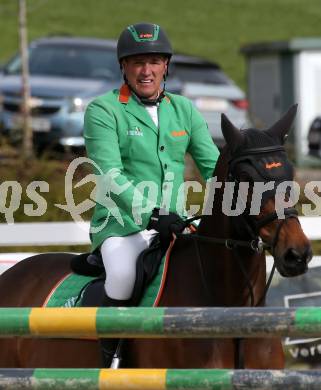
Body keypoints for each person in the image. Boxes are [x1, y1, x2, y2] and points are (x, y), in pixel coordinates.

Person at [84, 22, 220, 367]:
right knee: (123, 274)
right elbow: (110, 175)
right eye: (137, 62)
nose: (146, 71)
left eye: (154, 61)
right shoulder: (104, 110)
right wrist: (152, 214)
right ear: (124, 67)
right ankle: (111, 358)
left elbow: (214, 168)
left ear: (166, 66)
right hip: (122, 227)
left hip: (176, 226)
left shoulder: (184, 110)